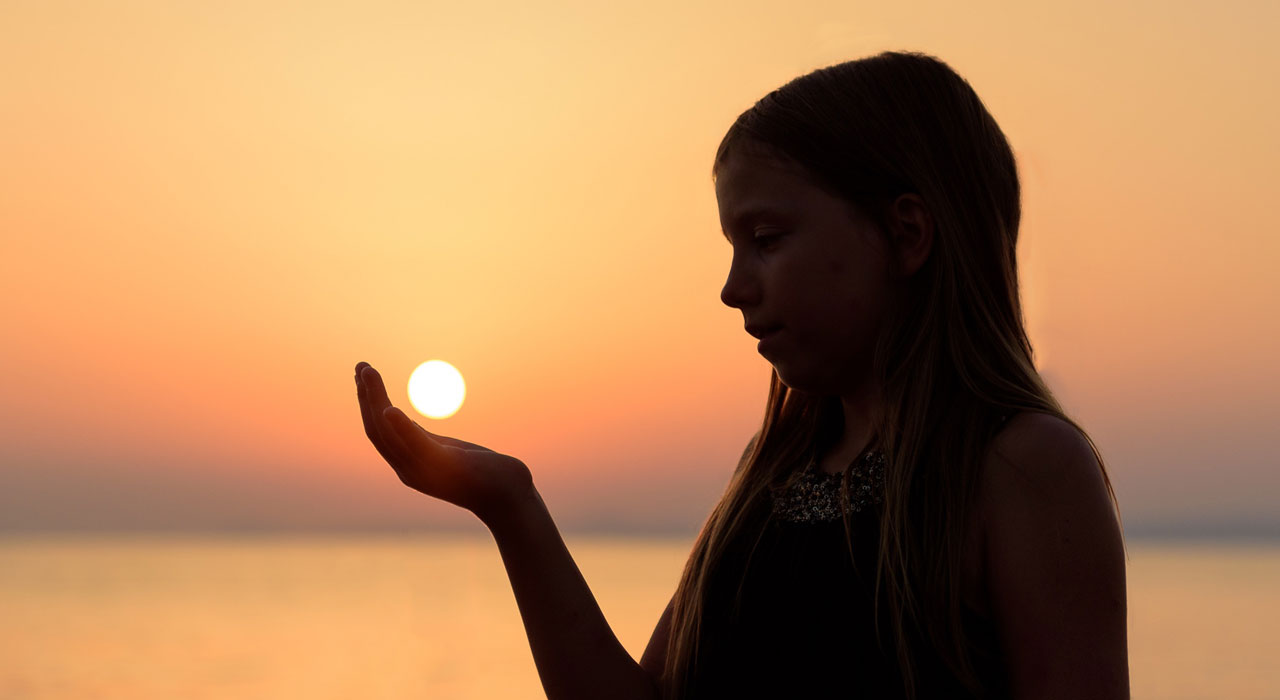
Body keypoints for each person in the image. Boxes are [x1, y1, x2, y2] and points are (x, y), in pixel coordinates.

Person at [354, 49, 1129, 700]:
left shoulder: (1022, 469)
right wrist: (510, 505)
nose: (733, 287)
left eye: (765, 237)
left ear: (907, 233)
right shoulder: (774, 477)